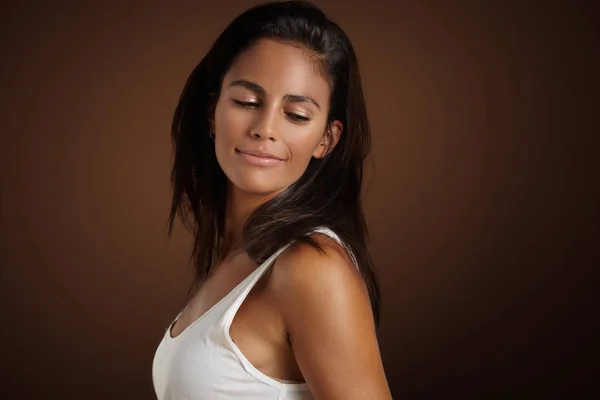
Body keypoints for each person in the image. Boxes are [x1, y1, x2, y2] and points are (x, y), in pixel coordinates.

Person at [152, 1, 393, 398]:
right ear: (212, 112)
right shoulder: (240, 257)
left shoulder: (312, 268)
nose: (265, 129)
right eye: (247, 103)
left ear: (326, 139)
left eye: (296, 114)